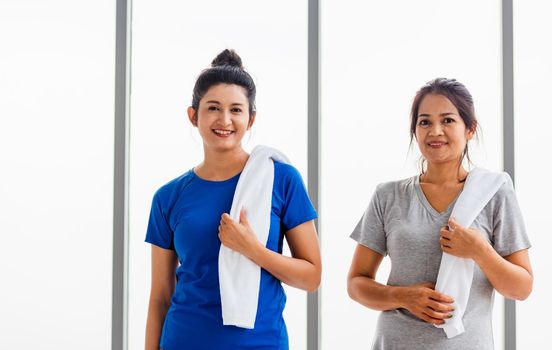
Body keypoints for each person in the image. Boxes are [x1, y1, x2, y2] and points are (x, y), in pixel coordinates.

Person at [144, 49, 321, 350]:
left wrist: (252, 249)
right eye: (213, 108)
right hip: (184, 340)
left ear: (251, 119)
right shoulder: (168, 197)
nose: (224, 120)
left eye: (236, 110)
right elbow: (160, 296)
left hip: (261, 343)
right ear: (193, 115)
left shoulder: (281, 179)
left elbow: (311, 277)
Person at [347, 78, 533, 349]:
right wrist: (404, 296)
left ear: (470, 129)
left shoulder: (494, 192)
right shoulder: (388, 196)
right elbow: (356, 283)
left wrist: (480, 250)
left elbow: (521, 288)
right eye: (424, 122)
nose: (435, 131)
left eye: (447, 120)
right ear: (415, 131)